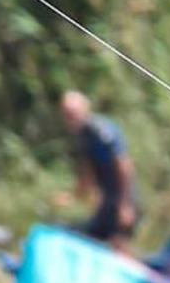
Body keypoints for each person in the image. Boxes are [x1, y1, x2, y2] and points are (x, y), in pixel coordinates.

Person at [56, 90, 137, 248]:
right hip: (108, 202)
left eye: (73, 113)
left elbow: (125, 166)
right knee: (89, 238)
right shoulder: (84, 136)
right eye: (66, 114)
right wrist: (72, 196)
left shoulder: (101, 131)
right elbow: (88, 174)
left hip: (122, 198)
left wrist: (126, 206)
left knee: (118, 248)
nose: (69, 119)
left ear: (84, 110)